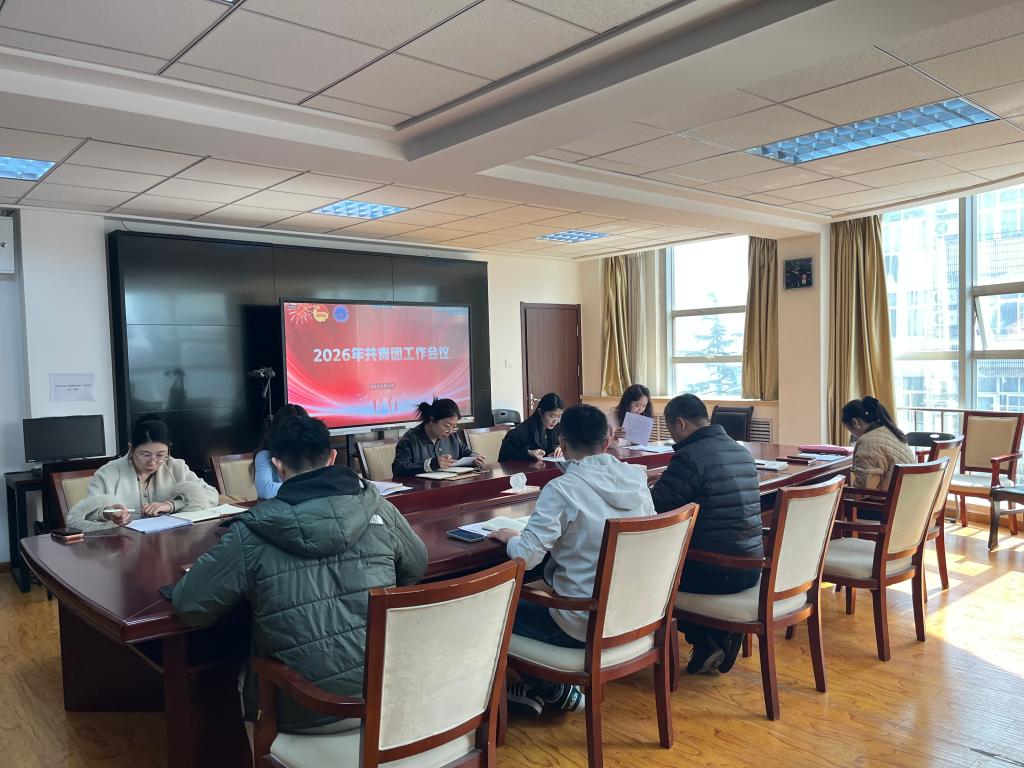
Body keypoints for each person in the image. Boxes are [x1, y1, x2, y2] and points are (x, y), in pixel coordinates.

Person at [172, 415, 428, 737]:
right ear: (332, 457)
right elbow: (416, 565)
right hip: (385, 697)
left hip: (298, 710)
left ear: (277, 466)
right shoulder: (378, 507)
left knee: (233, 673)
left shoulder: (251, 530)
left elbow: (190, 605)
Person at [489, 404, 655, 715]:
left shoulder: (563, 489)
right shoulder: (637, 480)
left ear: (562, 443)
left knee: (493, 607)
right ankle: (534, 689)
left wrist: (511, 538)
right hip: (637, 614)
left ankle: (552, 688)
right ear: (607, 441)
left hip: (583, 625)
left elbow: (527, 557)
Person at [649, 394, 762, 676]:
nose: (673, 437)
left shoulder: (689, 456)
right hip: (750, 567)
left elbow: (655, 506)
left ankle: (707, 639)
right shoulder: (740, 451)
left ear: (680, 423)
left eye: (671, 429)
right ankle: (717, 635)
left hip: (715, 572)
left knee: (650, 574)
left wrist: (646, 485)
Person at [67, 415, 219, 531]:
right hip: (122, 547)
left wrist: (171, 505)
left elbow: (211, 495)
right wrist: (108, 513)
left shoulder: (176, 467)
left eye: (161, 455)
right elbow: (85, 515)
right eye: (145, 455)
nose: (153, 462)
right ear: (131, 449)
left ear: (169, 450)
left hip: (168, 544)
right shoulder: (108, 473)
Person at [391, 398, 484, 476]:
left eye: (454, 426)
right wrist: (431, 464)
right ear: (432, 420)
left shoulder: (452, 436)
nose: (450, 431)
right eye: (447, 426)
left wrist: (474, 458)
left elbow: (465, 452)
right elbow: (398, 468)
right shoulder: (410, 439)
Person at [842, 396, 915, 489]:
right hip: (908, 493)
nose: (854, 436)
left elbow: (865, 490)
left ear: (855, 422)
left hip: (889, 497)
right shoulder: (892, 432)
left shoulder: (868, 443)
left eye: (850, 431)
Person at [252, 404, 309, 499]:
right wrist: (305, 486)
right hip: (275, 506)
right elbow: (266, 491)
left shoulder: (310, 452)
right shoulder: (264, 455)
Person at [497, 393, 564, 461]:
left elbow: (563, 443)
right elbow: (504, 457)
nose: (556, 421)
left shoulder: (557, 427)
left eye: (559, 416)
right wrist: (528, 452)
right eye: (552, 416)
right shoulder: (520, 432)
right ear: (540, 412)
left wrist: (560, 448)